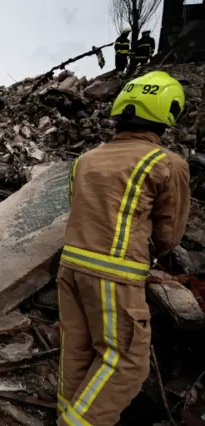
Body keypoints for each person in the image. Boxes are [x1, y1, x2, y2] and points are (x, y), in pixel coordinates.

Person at [57, 70, 190, 426]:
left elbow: (79, 208)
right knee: (127, 361)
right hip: (114, 275)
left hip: (70, 267)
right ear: (168, 113)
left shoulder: (86, 159)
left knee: (77, 352)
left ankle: (68, 415)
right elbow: (168, 234)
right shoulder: (167, 163)